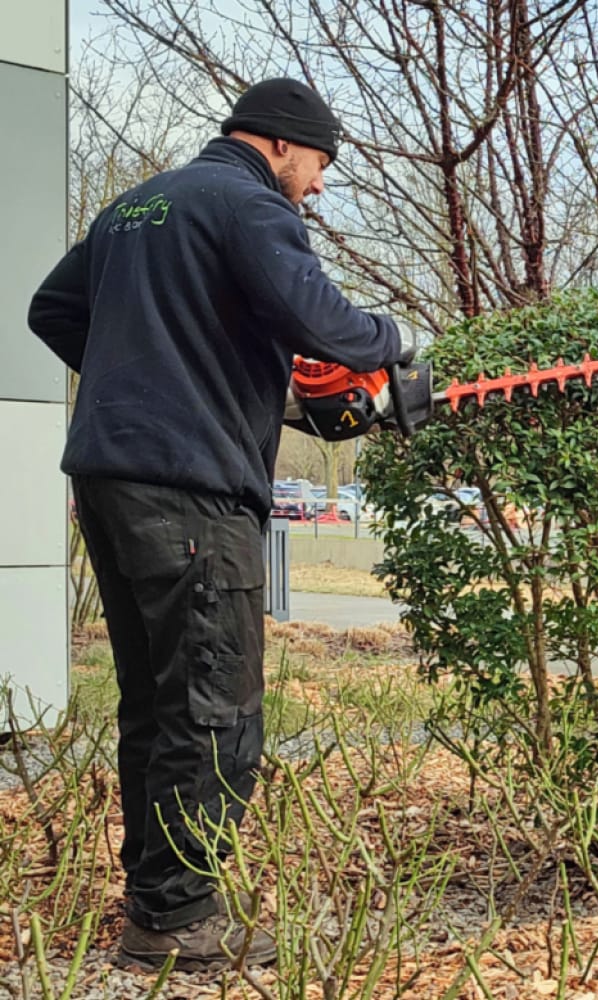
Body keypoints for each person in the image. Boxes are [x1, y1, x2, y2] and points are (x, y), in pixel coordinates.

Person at [28, 77, 414, 970]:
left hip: (111, 481)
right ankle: (174, 922)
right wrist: (393, 344)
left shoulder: (136, 207)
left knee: (158, 704)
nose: (318, 185)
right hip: (193, 490)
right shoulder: (248, 205)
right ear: (281, 144)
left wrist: (156, 370)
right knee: (216, 713)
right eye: (319, 164)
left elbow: (52, 309)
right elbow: (326, 322)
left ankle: (157, 906)